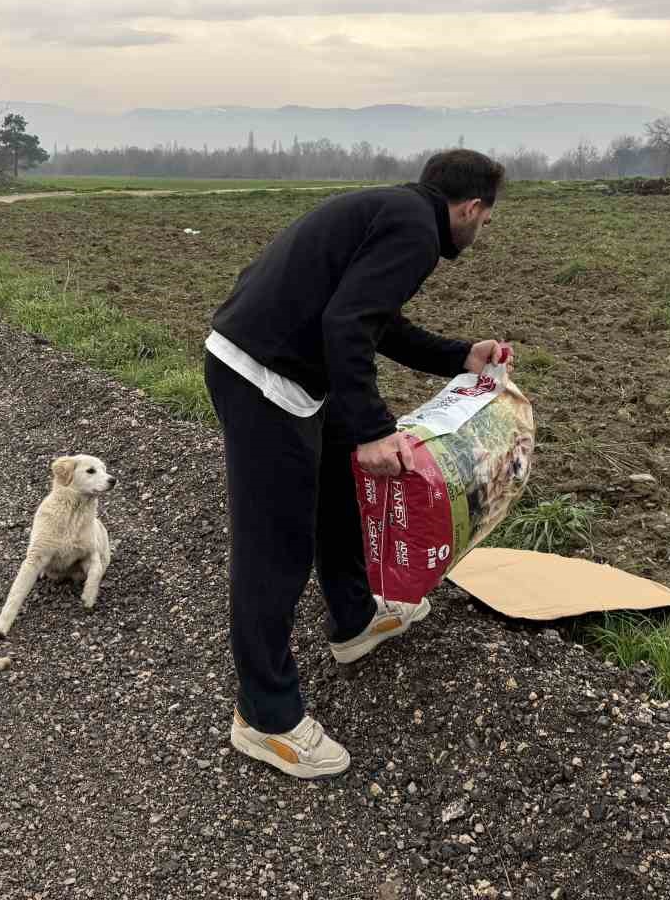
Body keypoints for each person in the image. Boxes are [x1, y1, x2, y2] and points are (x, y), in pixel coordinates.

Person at [203, 148, 512, 778]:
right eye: (486, 218)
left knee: (337, 498)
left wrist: (461, 355)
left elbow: (377, 325)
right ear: (473, 208)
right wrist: (373, 432)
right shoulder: (417, 231)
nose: (482, 230)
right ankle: (265, 717)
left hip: (282, 366)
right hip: (263, 378)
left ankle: (356, 620)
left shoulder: (398, 210)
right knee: (274, 548)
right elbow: (348, 324)